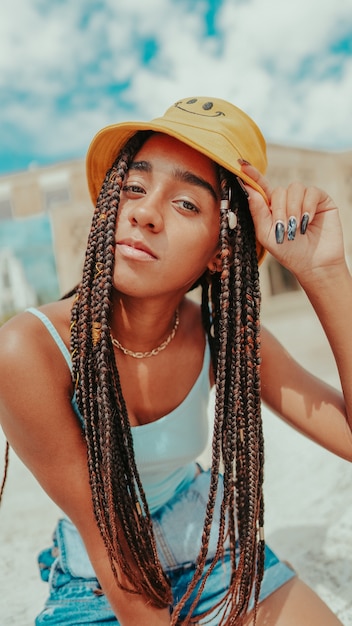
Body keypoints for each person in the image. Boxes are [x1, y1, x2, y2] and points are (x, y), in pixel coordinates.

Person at [0, 96, 351, 626]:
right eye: (133, 188)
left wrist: (324, 274)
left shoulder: (227, 336)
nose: (143, 211)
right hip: (101, 579)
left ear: (221, 251)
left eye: (187, 204)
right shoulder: (31, 349)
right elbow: (118, 560)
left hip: (214, 551)